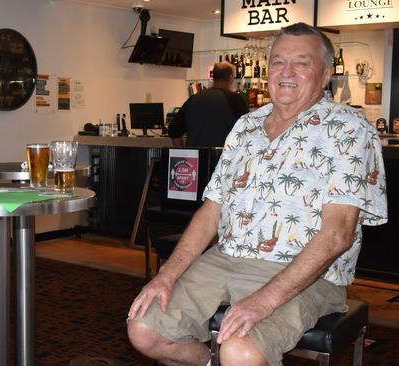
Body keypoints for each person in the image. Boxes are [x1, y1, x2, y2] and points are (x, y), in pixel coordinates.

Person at [127, 22, 387, 366]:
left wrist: (262, 302)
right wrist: (166, 276)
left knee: (241, 351)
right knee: (145, 331)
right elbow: (211, 210)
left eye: (302, 63)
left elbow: (337, 235)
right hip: (226, 258)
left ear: (325, 74)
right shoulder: (246, 126)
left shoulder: (349, 129)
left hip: (307, 271)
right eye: (278, 62)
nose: (286, 72)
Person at [168, 61, 248, 147]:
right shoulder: (235, 99)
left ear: (213, 76)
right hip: (224, 157)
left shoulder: (193, 99)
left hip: (196, 158)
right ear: (231, 76)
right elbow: (249, 129)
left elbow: (174, 131)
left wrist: (184, 155)